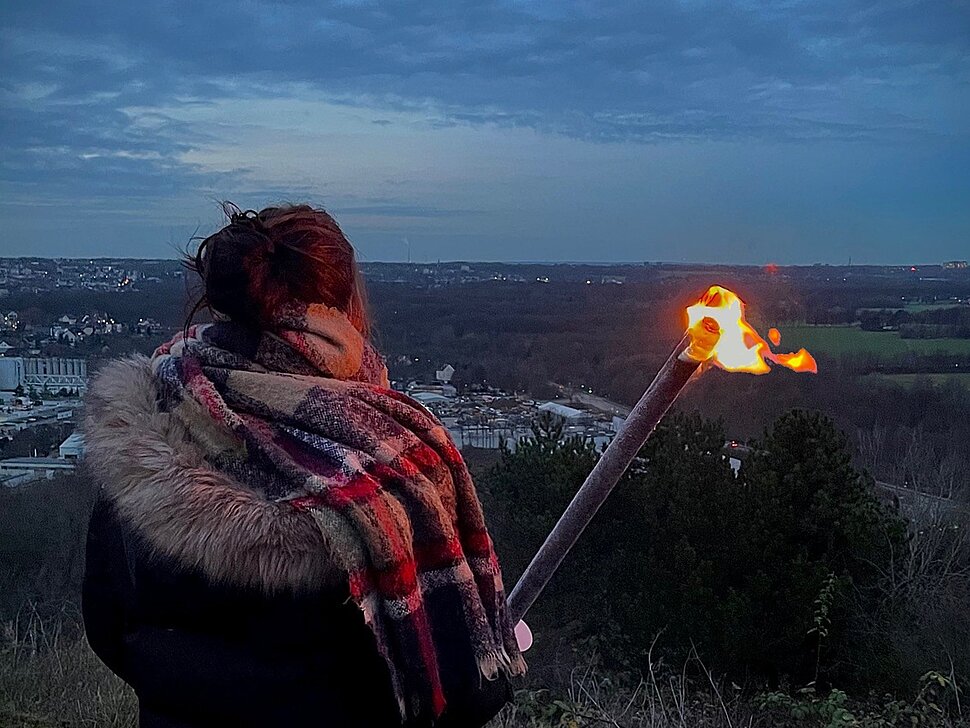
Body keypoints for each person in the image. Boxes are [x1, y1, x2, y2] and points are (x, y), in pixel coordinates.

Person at [82, 203, 526, 728]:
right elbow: (453, 696)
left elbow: (111, 634)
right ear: (343, 306)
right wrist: (498, 640)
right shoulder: (399, 480)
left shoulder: (147, 441)